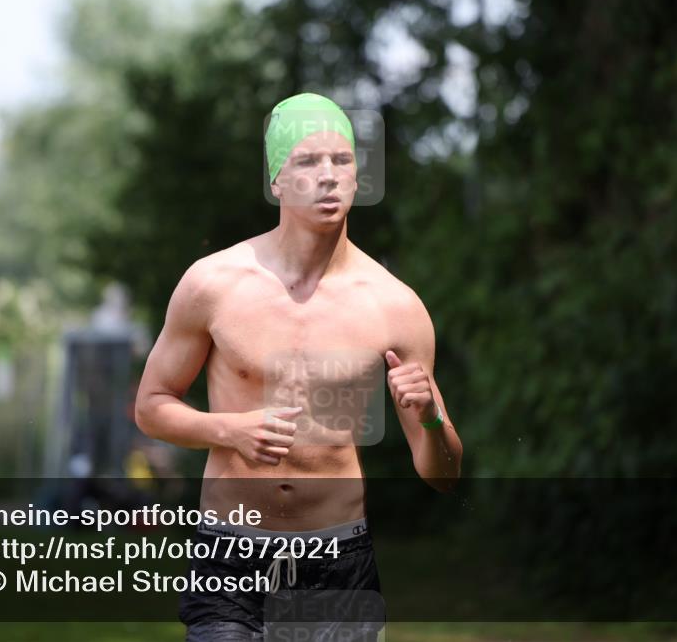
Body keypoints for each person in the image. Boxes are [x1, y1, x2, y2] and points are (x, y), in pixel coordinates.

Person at [135, 92, 463, 641]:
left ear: (359, 178)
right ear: (277, 182)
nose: (329, 176)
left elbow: (444, 475)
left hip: (338, 562)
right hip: (230, 556)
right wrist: (229, 429)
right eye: (308, 162)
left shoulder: (395, 307)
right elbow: (151, 407)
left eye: (342, 161)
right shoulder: (213, 284)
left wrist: (430, 416)